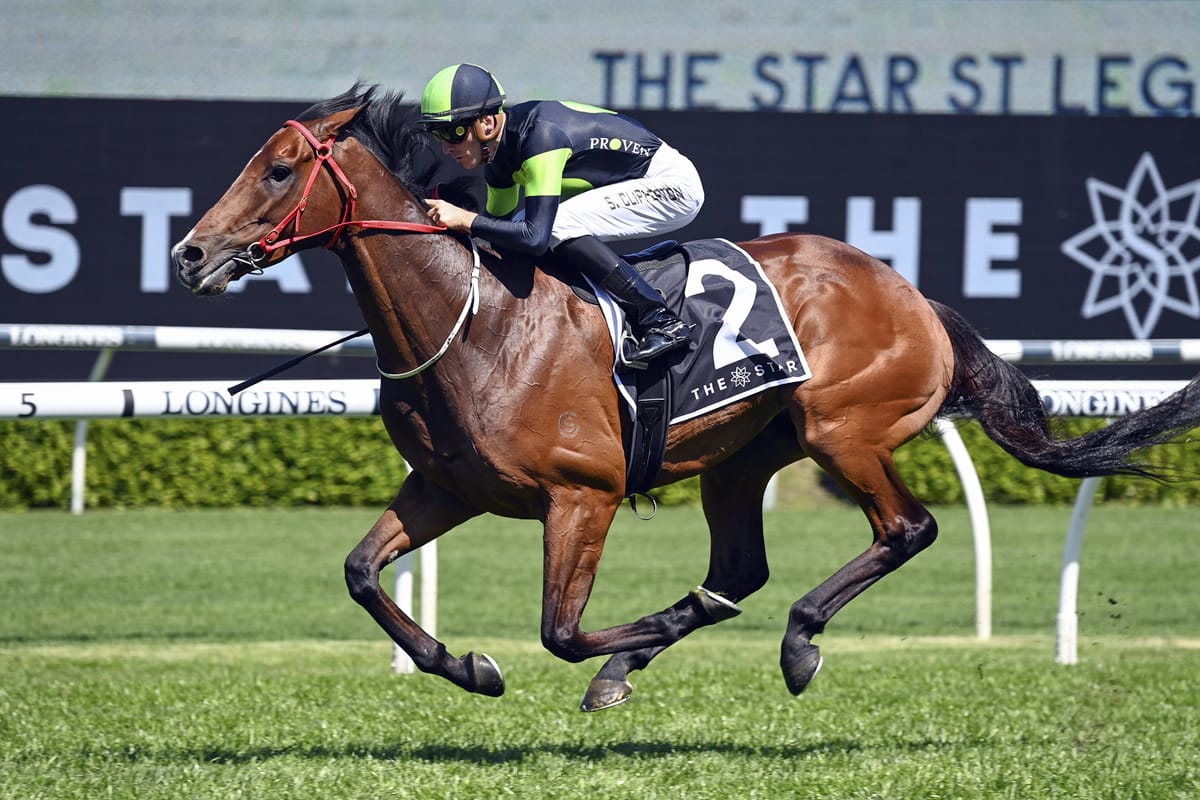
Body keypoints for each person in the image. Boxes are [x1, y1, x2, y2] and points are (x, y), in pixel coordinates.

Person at [419, 63, 705, 366]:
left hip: (673, 185)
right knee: (515, 226)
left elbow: (535, 238)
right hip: (641, 181)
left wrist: (465, 219)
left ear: (487, 124)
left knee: (555, 225)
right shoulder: (499, 159)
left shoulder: (540, 138)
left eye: (451, 132)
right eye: (437, 135)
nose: (445, 147)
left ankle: (658, 318)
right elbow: (496, 236)